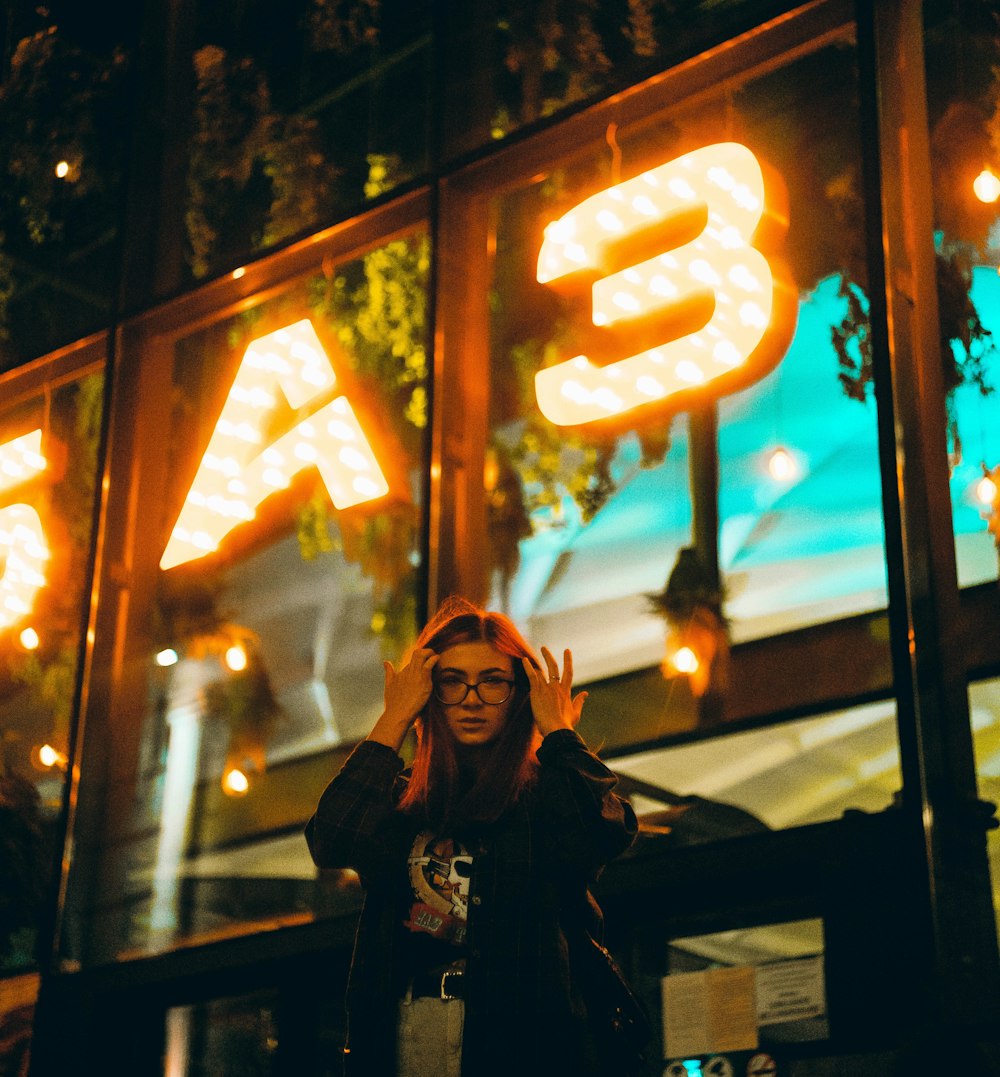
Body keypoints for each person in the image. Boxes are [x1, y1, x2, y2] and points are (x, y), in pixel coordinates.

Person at [305, 595, 638, 1076]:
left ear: (520, 691)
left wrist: (559, 733)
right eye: (451, 683)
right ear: (428, 694)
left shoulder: (544, 796)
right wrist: (393, 719)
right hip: (412, 1030)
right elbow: (331, 839)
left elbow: (604, 834)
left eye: (493, 682)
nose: (472, 699)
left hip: (529, 1040)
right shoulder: (401, 802)